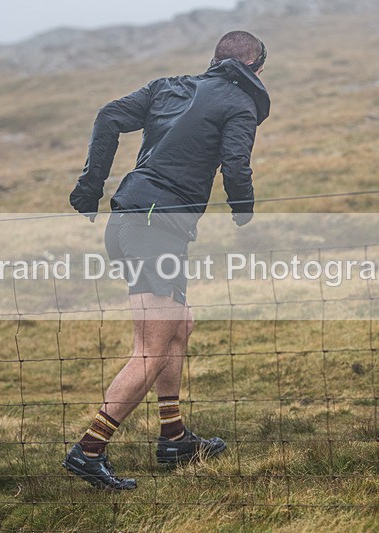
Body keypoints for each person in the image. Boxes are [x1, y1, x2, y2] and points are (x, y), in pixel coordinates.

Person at [63, 30, 271, 490]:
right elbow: (235, 165)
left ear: (217, 60)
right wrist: (244, 207)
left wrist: (90, 186)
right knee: (150, 348)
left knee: (180, 325)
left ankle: (173, 437)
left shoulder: (167, 87)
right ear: (257, 67)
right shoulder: (240, 106)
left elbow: (108, 116)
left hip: (133, 221)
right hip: (155, 228)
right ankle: (88, 451)